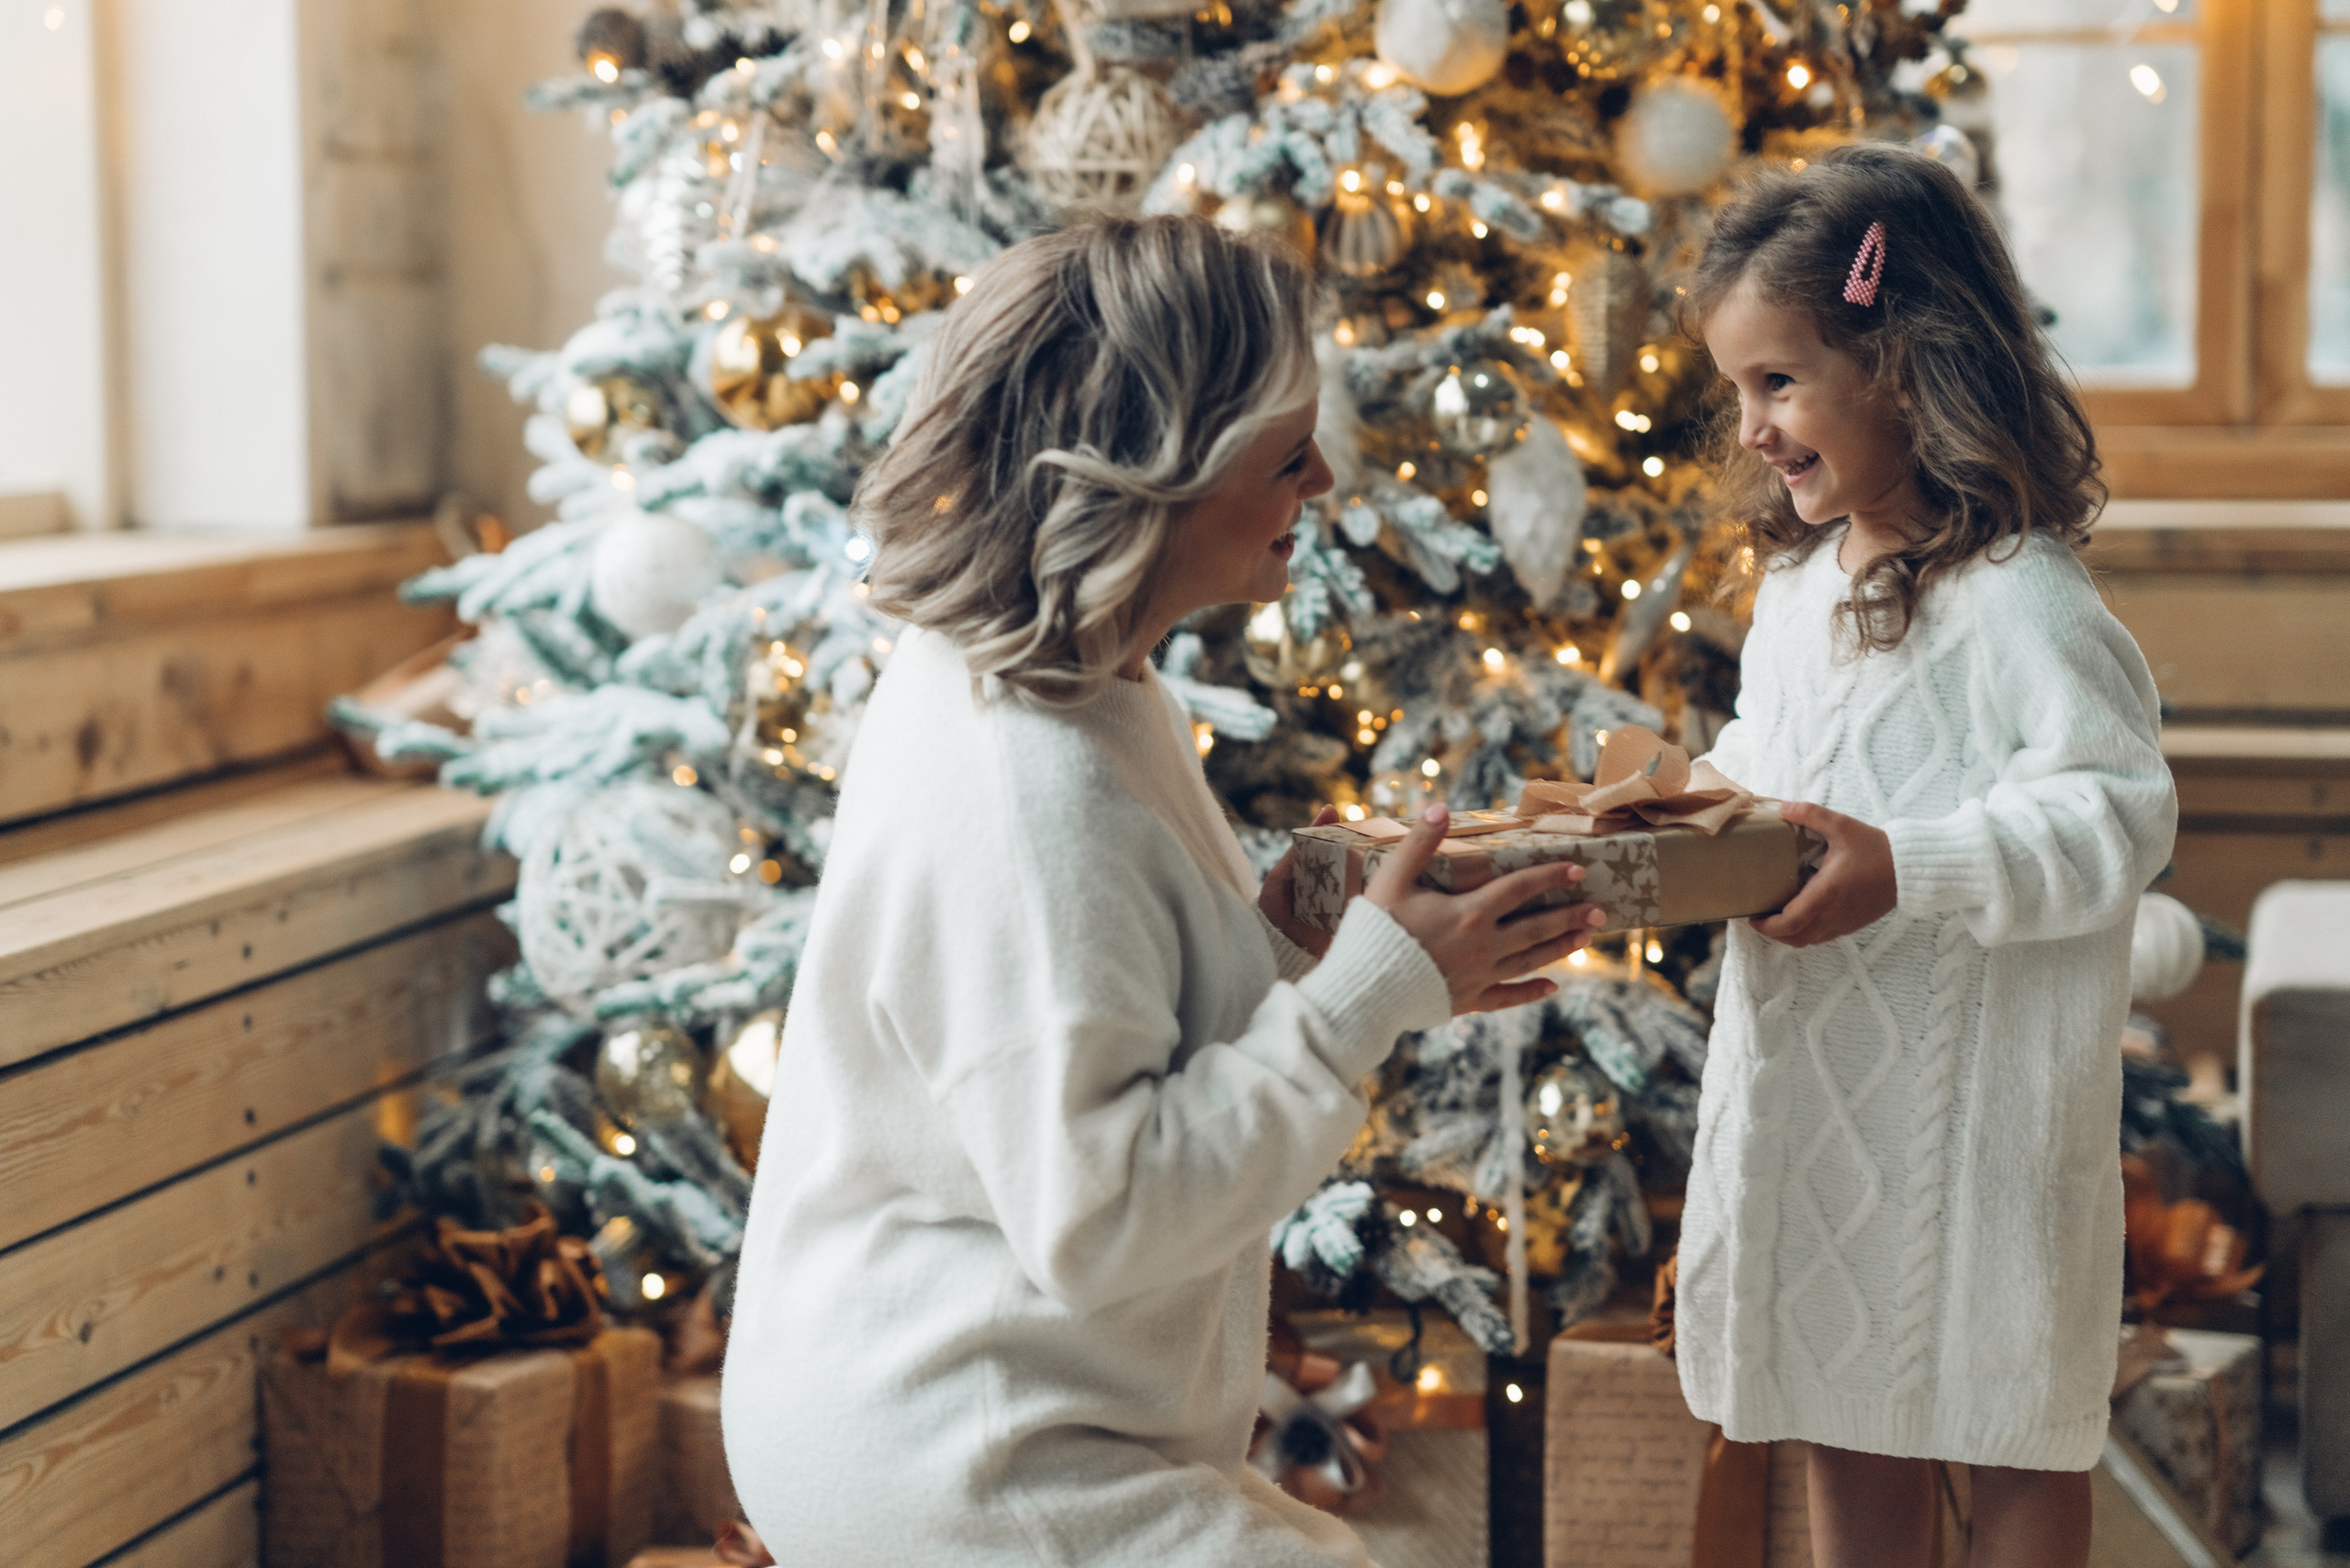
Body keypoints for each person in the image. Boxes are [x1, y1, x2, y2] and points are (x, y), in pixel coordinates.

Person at [722, 216, 1607, 1566]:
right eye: (1280, 452)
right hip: (962, 1457)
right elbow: (1105, 1213)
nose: (1321, 477)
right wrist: (1357, 1005)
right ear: (1153, 479)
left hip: (988, 1413)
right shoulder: (1031, 790)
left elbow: (1093, 1031)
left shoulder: (1071, 680)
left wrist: (1309, 949)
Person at [1675, 142, 2178, 1568]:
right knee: (1846, 1395)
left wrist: (1915, 865)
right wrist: (1684, 814)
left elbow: (2118, 810)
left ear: (1903, 360)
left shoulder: (2023, 598)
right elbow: (1770, 764)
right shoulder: (1794, 592)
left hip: (1975, 1119)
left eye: (1779, 381)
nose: (1754, 425)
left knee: (2006, 1417)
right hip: (1821, 1089)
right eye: (1739, 390)